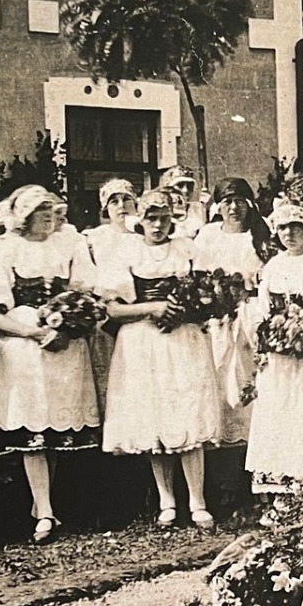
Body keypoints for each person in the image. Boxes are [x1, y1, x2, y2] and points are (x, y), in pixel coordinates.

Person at [0, 185, 102, 543]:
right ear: (24, 216)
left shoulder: (70, 244)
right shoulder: (7, 249)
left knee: (55, 428)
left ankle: (43, 503)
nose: (47, 217)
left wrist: (71, 324)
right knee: (33, 428)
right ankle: (45, 510)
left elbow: (86, 293)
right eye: (39, 211)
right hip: (24, 345)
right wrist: (35, 332)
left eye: (51, 210)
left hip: (65, 343)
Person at [99, 189, 222, 528]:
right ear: (139, 219)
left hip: (182, 339)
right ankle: (166, 500)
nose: (157, 225)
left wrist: (188, 310)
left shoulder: (187, 249)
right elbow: (112, 309)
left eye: (163, 218)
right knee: (155, 413)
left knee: (187, 409)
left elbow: (210, 297)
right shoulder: (127, 251)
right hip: (142, 341)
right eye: (150, 218)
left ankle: (197, 500)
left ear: (173, 219)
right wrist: (152, 307)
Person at [244, 201, 303, 494]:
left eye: (295, 227)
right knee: (280, 411)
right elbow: (262, 310)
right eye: (282, 228)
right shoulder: (274, 265)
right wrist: (268, 334)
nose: (289, 234)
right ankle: (281, 486)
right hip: (279, 358)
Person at [193, 177, 269, 459]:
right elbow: (199, 278)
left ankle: (253, 450)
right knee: (220, 374)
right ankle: (221, 452)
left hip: (251, 314)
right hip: (217, 318)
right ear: (218, 206)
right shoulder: (208, 236)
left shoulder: (260, 234)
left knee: (250, 377)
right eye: (227, 201)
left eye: (239, 201)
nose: (234, 207)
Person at [85, 178, 142, 268]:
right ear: (106, 209)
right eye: (114, 202)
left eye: (126, 199)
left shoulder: (146, 235)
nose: (121, 205)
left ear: (135, 204)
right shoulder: (94, 238)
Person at [162, 166, 209, 241]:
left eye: (189, 186)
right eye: (180, 185)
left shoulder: (198, 209)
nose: (185, 190)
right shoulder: (161, 211)